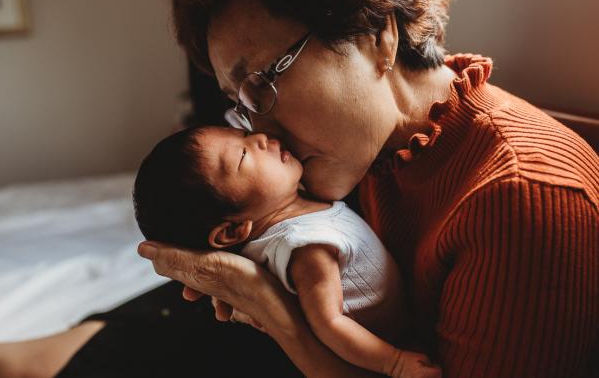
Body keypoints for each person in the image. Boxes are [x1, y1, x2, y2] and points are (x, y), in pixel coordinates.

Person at [0, 0, 596, 376]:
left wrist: (278, 314)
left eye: (261, 82)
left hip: (289, 335)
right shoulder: (371, 141)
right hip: (248, 317)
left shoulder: (519, 203)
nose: (257, 128)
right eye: (238, 103)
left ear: (377, 34)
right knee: (22, 362)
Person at [132, 125, 440, 377]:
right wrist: (394, 362)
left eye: (242, 134)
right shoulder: (305, 247)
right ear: (231, 231)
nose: (259, 138)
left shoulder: (299, 208)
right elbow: (330, 324)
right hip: (381, 350)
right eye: (242, 155)